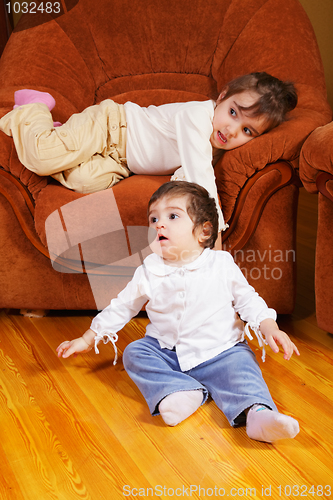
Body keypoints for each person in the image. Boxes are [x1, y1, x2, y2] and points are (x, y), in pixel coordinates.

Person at [56, 180, 300, 443]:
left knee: (243, 368)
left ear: (204, 231)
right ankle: (180, 391)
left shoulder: (221, 264)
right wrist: (87, 338)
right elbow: (122, 306)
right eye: (153, 219)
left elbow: (247, 300)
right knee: (135, 353)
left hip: (220, 350)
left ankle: (258, 414)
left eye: (172, 216)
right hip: (166, 351)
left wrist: (268, 326)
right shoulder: (149, 269)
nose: (159, 224)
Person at [0, 72, 297, 233]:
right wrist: (215, 225)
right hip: (111, 126)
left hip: (121, 162)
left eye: (247, 131)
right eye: (232, 112)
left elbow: (184, 176)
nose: (232, 130)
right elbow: (199, 175)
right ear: (221, 97)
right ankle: (33, 108)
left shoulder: (217, 145)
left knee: (85, 182)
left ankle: (59, 135)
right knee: (40, 157)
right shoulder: (196, 117)